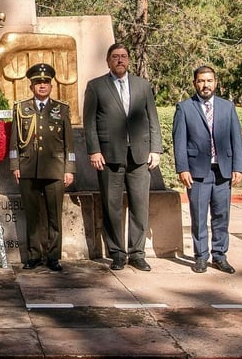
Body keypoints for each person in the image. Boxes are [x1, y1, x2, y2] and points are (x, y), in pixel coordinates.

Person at [83, 43, 162, 271]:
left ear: (129, 60)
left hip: (139, 155)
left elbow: (153, 119)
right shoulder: (96, 86)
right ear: (108, 61)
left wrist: (155, 149)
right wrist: (94, 150)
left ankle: (137, 253)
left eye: (123, 56)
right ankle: (117, 253)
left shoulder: (142, 85)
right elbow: (89, 122)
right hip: (109, 156)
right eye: (115, 56)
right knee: (112, 206)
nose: (120, 60)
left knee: (139, 205)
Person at [172, 65, 242, 274]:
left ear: (216, 82)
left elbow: (236, 139)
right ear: (195, 83)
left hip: (223, 171)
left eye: (209, 81)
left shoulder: (227, 107)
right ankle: (201, 256)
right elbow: (179, 141)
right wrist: (182, 168)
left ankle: (220, 256)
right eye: (201, 81)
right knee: (199, 216)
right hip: (197, 173)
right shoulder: (185, 108)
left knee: (222, 216)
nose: (205, 85)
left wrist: (238, 166)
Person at [10, 62, 75, 272]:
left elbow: (69, 143)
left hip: (55, 169)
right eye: (38, 83)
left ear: (51, 85)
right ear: (31, 86)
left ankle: (53, 256)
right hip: (28, 169)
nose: (42, 86)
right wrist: (15, 164)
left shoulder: (61, 109)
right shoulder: (21, 108)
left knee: (55, 216)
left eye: (46, 82)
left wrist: (69, 168)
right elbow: (14, 141)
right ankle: (34, 255)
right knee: (32, 216)